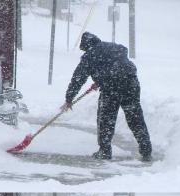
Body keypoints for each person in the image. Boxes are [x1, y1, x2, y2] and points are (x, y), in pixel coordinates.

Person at [63, 32, 152, 162]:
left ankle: (104, 151)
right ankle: (146, 148)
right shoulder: (114, 47)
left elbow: (78, 78)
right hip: (130, 83)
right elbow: (115, 66)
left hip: (112, 88)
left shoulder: (89, 55)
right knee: (135, 116)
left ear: (86, 46)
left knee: (106, 119)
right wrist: (101, 79)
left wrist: (69, 98)